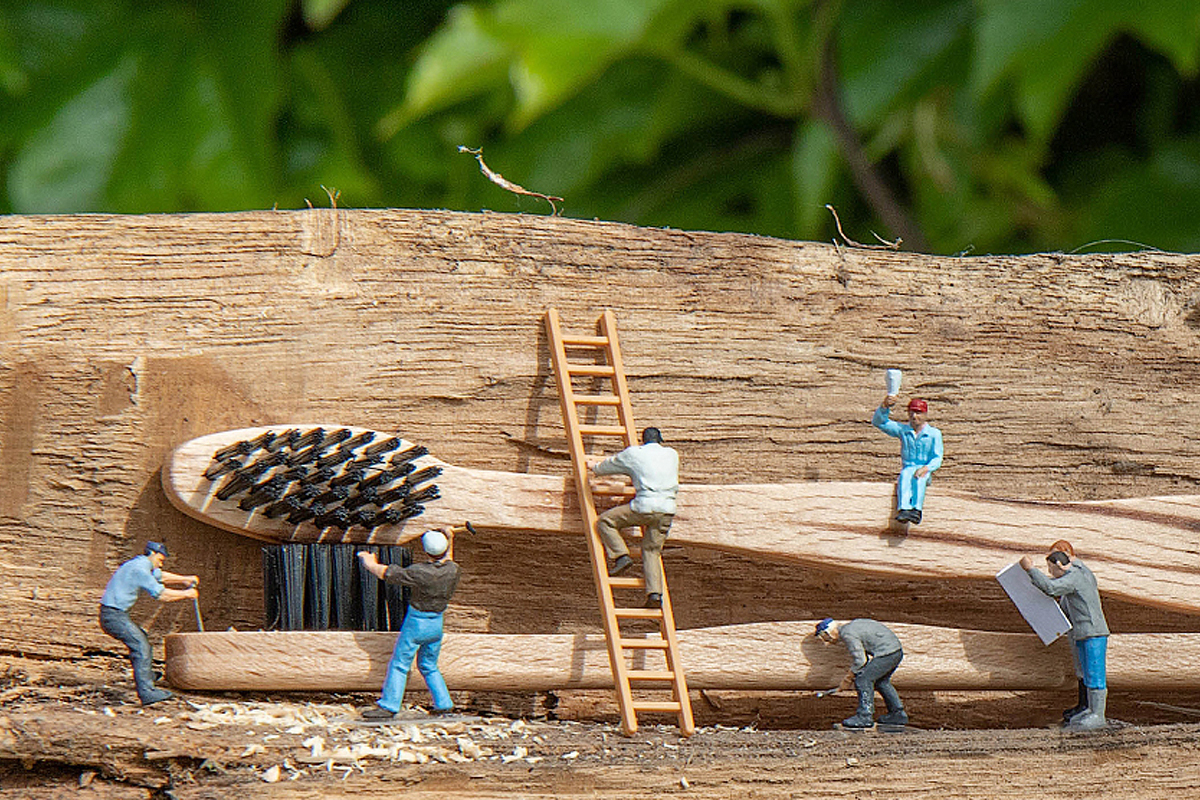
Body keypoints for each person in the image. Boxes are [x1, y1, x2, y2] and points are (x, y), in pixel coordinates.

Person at [358, 527, 461, 720]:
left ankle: (389, 705)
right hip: (437, 625)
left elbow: (387, 573)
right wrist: (449, 537)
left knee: (400, 664)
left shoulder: (419, 572)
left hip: (417, 624)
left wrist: (369, 562)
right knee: (429, 665)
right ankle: (444, 704)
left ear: (426, 550)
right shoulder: (453, 570)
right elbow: (448, 559)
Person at [1020, 541, 1110, 730]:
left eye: (1051, 569)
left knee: (1094, 673)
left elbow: (1052, 588)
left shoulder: (1075, 577)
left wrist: (1030, 570)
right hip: (1082, 632)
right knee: (1085, 673)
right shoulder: (1076, 574)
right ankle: (1090, 709)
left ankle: (1097, 715)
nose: (1050, 573)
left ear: (1060, 565)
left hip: (1092, 632)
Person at [99, 541, 199, 705]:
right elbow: (161, 595)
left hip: (114, 613)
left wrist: (184, 579)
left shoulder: (139, 564)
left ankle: (145, 675)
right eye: (160, 559)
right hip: (113, 616)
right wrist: (187, 594)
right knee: (140, 645)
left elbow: (161, 576)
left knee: (142, 638)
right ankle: (147, 692)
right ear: (152, 554)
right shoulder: (140, 570)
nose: (161, 563)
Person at [592, 427, 679, 609]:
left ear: (643, 440)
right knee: (651, 551)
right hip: (667, 510)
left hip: (644, 507)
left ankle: (621, 555)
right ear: (660, 440)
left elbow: (605, 467)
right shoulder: (672, 454)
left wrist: (594, 467)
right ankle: (654, 594)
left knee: (606, 521)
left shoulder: (633, 454)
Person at [815, 617, 907, 729]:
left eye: (824, 636)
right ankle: (897, 714)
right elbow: (864, 660)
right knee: (881, 682)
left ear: (828, 631)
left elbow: (860, 660)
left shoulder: (847, 634)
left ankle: (865, 716)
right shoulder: (850, 628)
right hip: (895, 651)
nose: (826, 640)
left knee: (863, 680)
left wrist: (848, 679)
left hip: (887, 653)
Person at [872, 395, 943, 524]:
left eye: (918, 413)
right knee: (905, 476)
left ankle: (916, 509)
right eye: (912, 413)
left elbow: (937, 457)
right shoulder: (903, 430)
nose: (915, 416)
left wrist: (927, 468)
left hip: (924, 467)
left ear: (925, 414)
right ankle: (904, 509)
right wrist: (884, 406)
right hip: (908, 466)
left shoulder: (934, 434)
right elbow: (880, 422)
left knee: (919, 479)